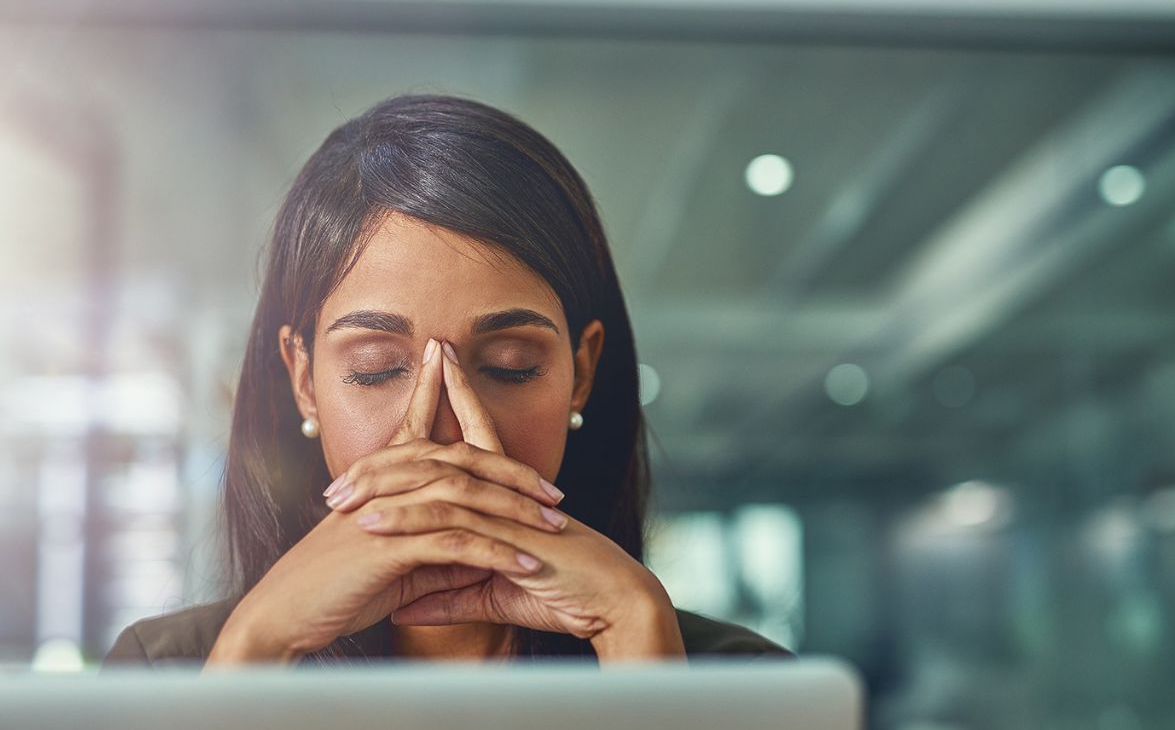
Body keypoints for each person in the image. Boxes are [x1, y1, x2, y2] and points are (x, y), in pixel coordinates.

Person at [102, 94, 791, 668]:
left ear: (580, 374)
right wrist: (257, 647)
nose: (445, 429)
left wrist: (638, 636)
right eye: (376, 369)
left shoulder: (736, 679)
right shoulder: (172, 670)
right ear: (305, 380)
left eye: (509, 366)